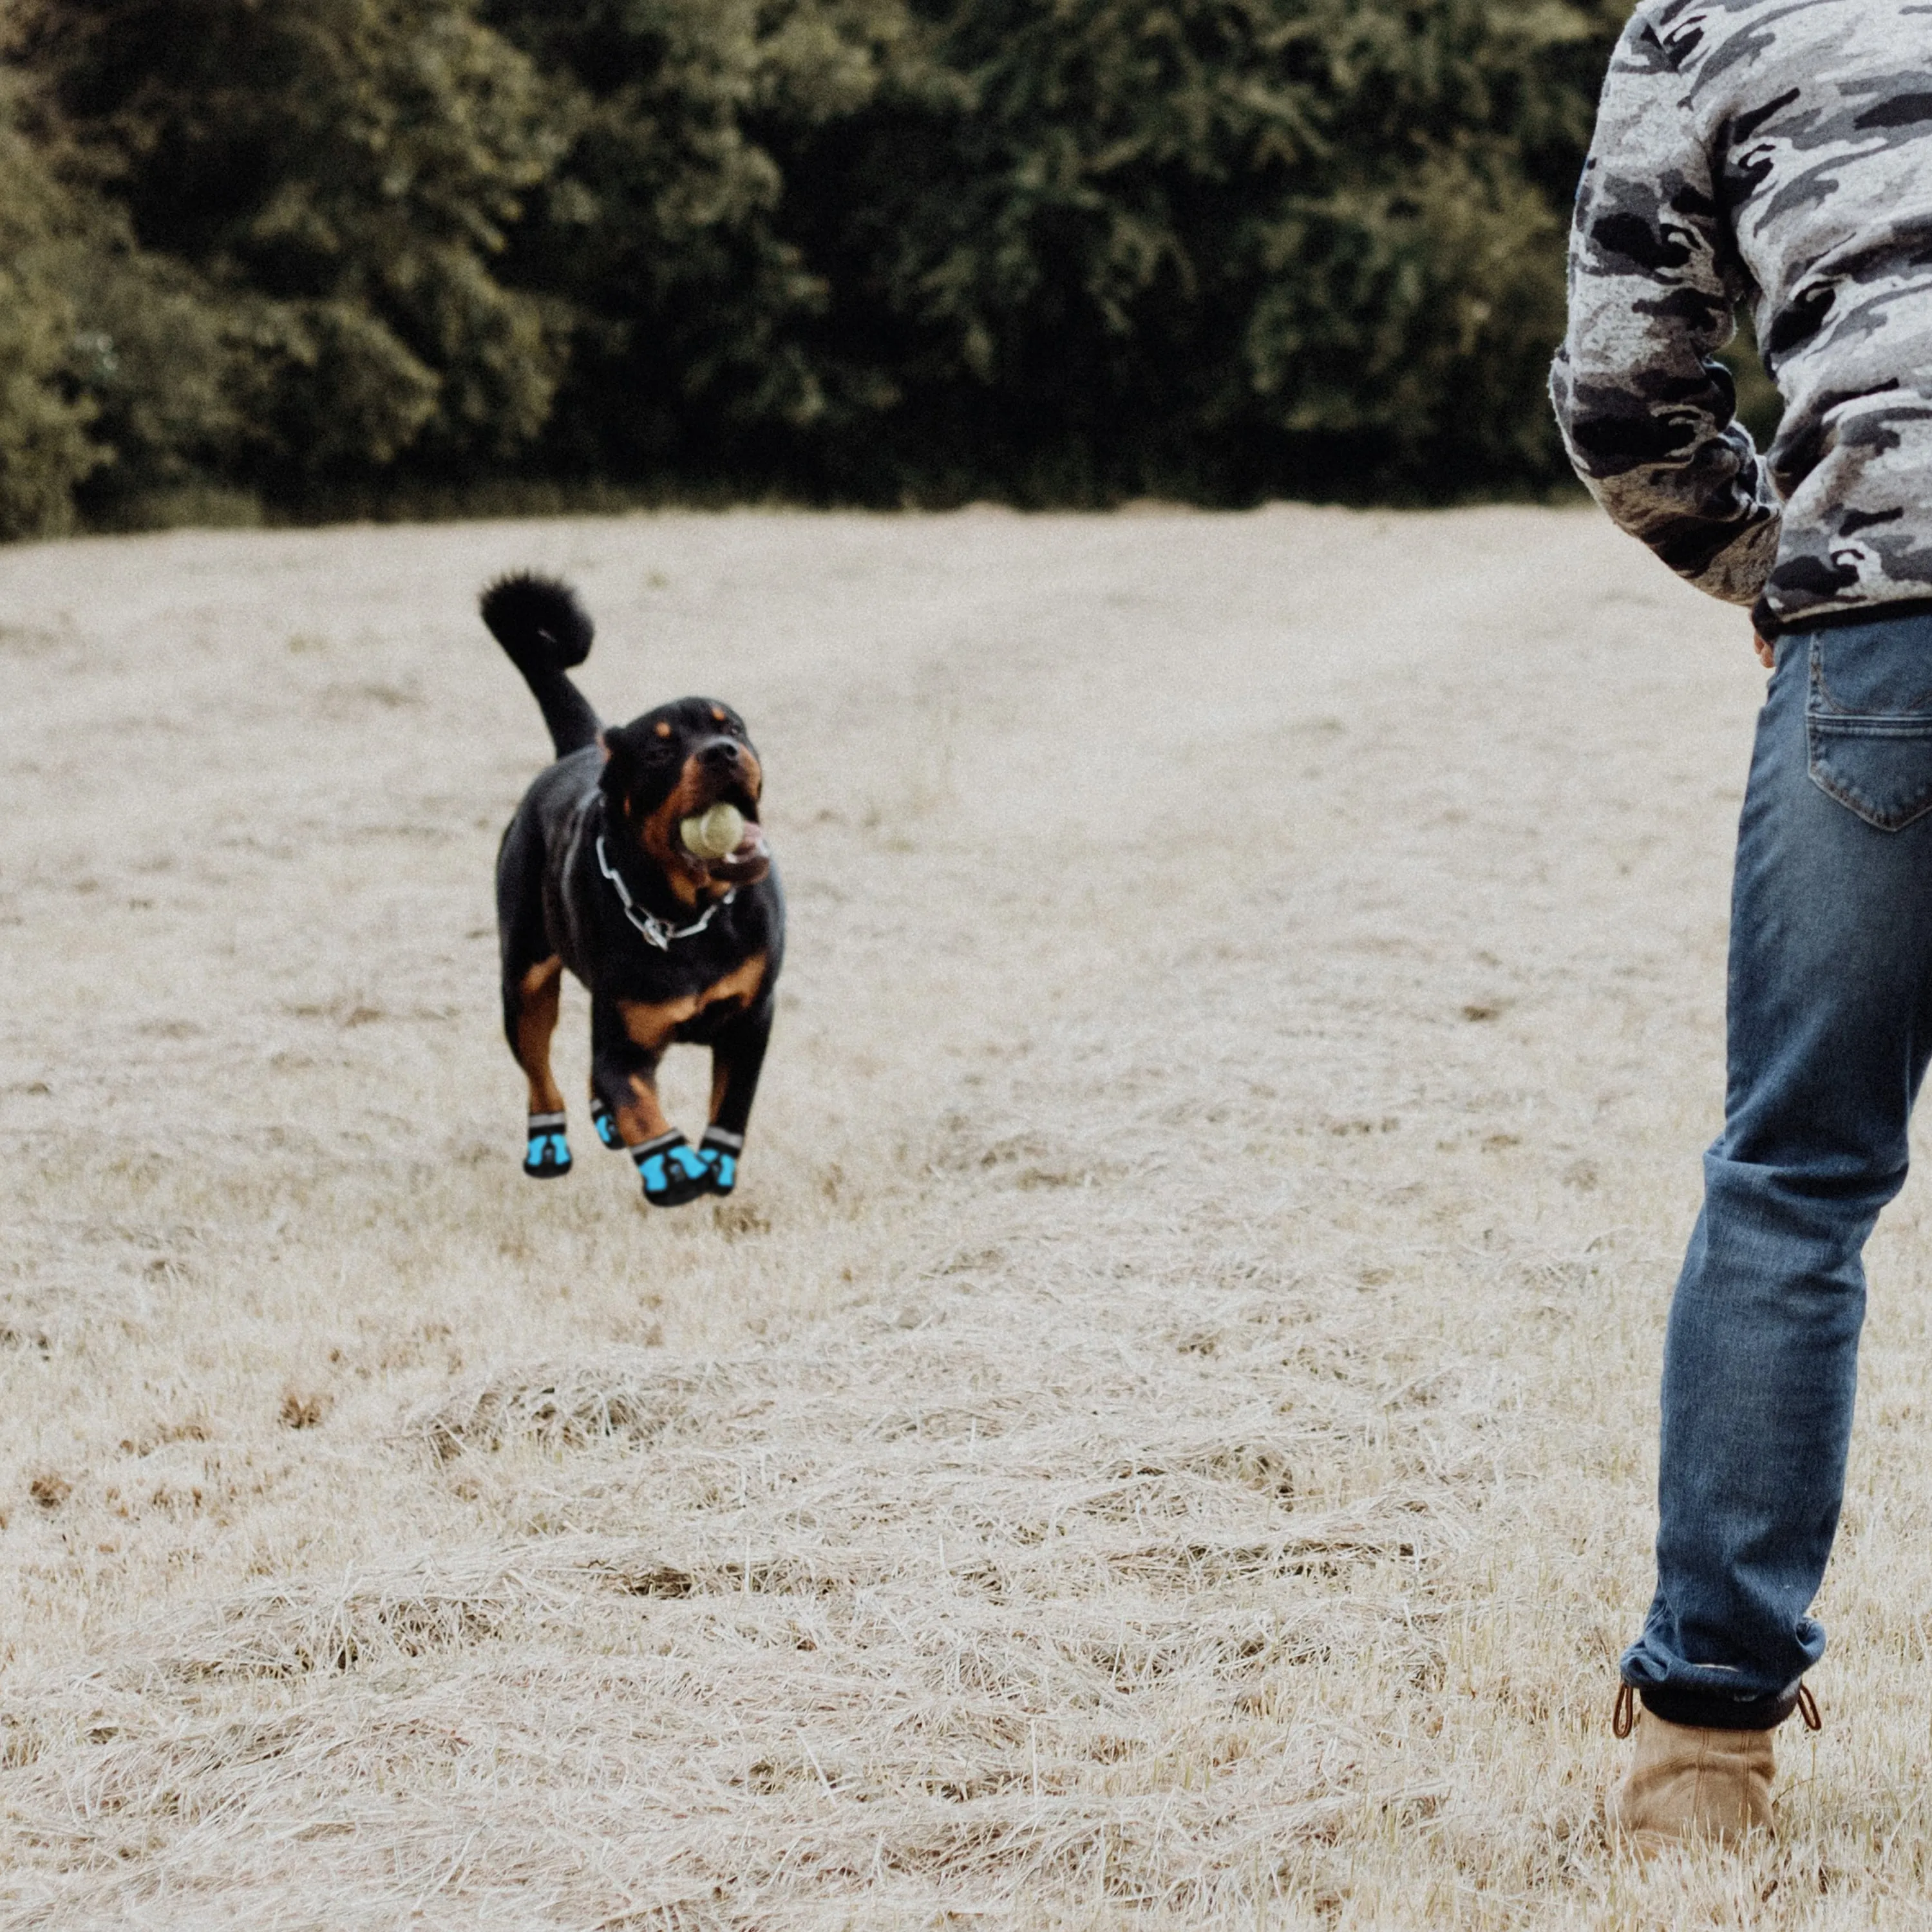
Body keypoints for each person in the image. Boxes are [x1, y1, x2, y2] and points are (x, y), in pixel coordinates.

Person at [1551, 0, 1932, 1852]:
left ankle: (1701, 1755)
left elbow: (1625, 388)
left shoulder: (1712, 22)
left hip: (1889, 639)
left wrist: (1764, 560)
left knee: (1795, 1181)